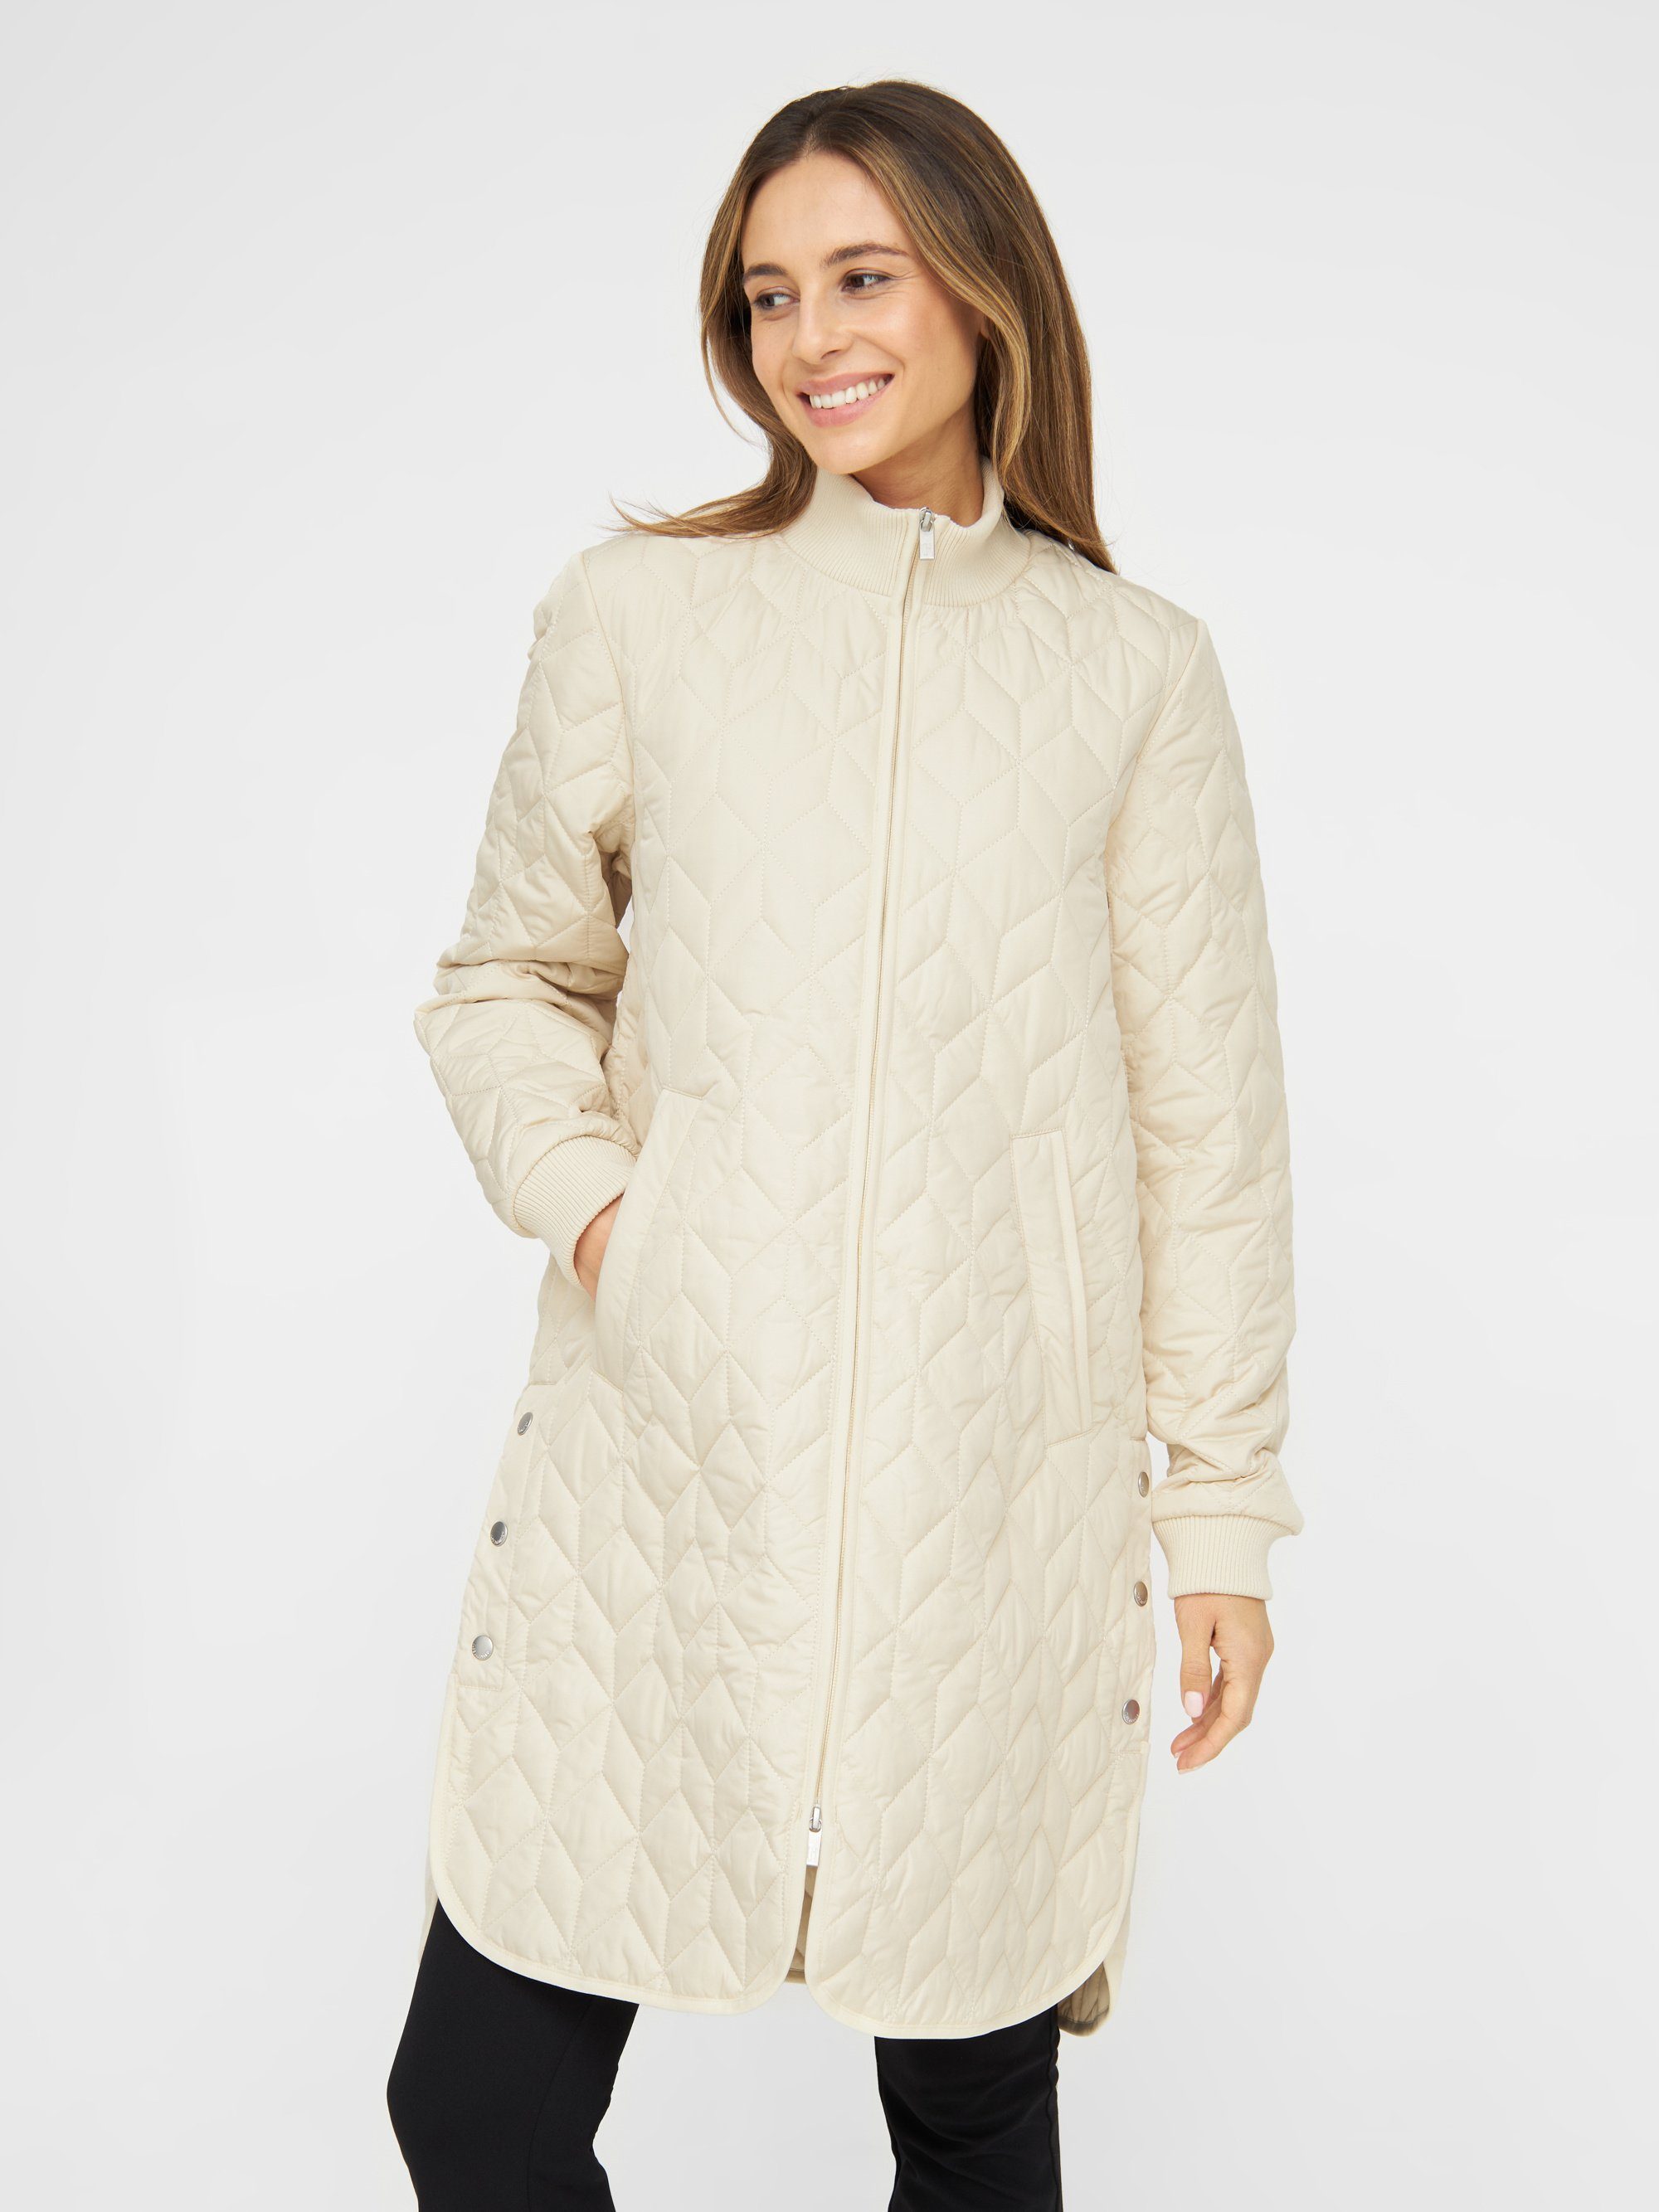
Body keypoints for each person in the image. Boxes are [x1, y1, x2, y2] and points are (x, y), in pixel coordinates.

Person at [387, 75, 1301, 2211]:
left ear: (983, 290)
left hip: (991, 1505)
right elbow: (506, 980)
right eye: (770, 294)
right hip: (667, 1479)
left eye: (864, 277)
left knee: (970, 2125)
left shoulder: (1131, 672)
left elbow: (1209, 1129)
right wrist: (616, 1221)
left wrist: (1222, 1519)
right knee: (477, 2107)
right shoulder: (641, 616)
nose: (815, 338)